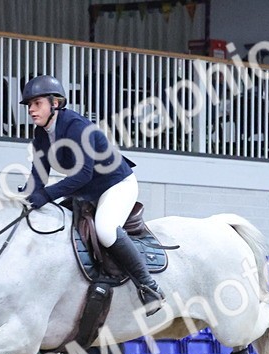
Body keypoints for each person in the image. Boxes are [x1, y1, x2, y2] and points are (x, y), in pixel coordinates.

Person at [19, 74, 164, 309]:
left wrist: (45, 196)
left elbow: (82, 174)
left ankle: (148, 286)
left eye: (37, 104)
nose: (32, 110)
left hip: (116, 185)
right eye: (29, 106)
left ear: (54, 103)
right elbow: (38, 176)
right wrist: (23, 200)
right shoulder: (41, 134)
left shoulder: (76, 127)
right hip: (86, 191)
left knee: (105, 230)